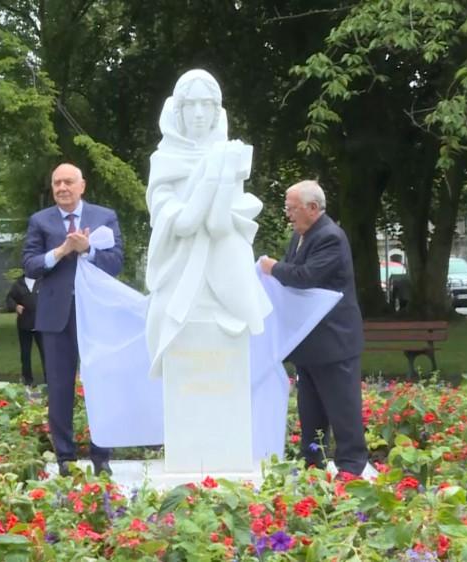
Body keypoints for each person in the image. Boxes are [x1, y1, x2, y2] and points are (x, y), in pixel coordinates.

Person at [145, 69, 270, 378]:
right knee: (163, 317)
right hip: (178, 270)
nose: (199, 113)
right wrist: (213, 174)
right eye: (191, 105)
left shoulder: (228, 156)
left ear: (217, 111)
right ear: (179, 110)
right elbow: (184, 224)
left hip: (221, 271)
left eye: (207, 104)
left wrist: (222, 174)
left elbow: (218, 226)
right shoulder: (164, 161)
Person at [258, 180, 368, 476]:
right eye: (287, 208)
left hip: (334, 341)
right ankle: (312, 466)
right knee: (311, 412)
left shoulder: (330, 236)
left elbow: (306, 276)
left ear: (313, 208)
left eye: (292, 208)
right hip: (309, 343)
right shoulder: (300, 236)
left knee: (342, 409)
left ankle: (351, 468)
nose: (288, 214)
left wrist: (272, 268)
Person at [22, 162, 124, 476]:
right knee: (60, 388)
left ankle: (101, 456)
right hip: (57, 317)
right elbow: (29, 265)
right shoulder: (40, 221)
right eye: (57, 183)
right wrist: (63, 250)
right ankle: (65, 459)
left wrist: (88, 249)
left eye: (68, 182)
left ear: (82, 186)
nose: (62, 188)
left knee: (100, 386)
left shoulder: (104, 217)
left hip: (96, 316)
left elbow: (116, 262)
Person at [6, 273, 46, 386]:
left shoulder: (42, 280)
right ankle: (28, 380)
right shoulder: (18, 284)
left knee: (45, 352)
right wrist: (15, 306)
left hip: (41, 324)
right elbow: (9, 299)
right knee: (25, 353)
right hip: (24, 324)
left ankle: (49, 379)